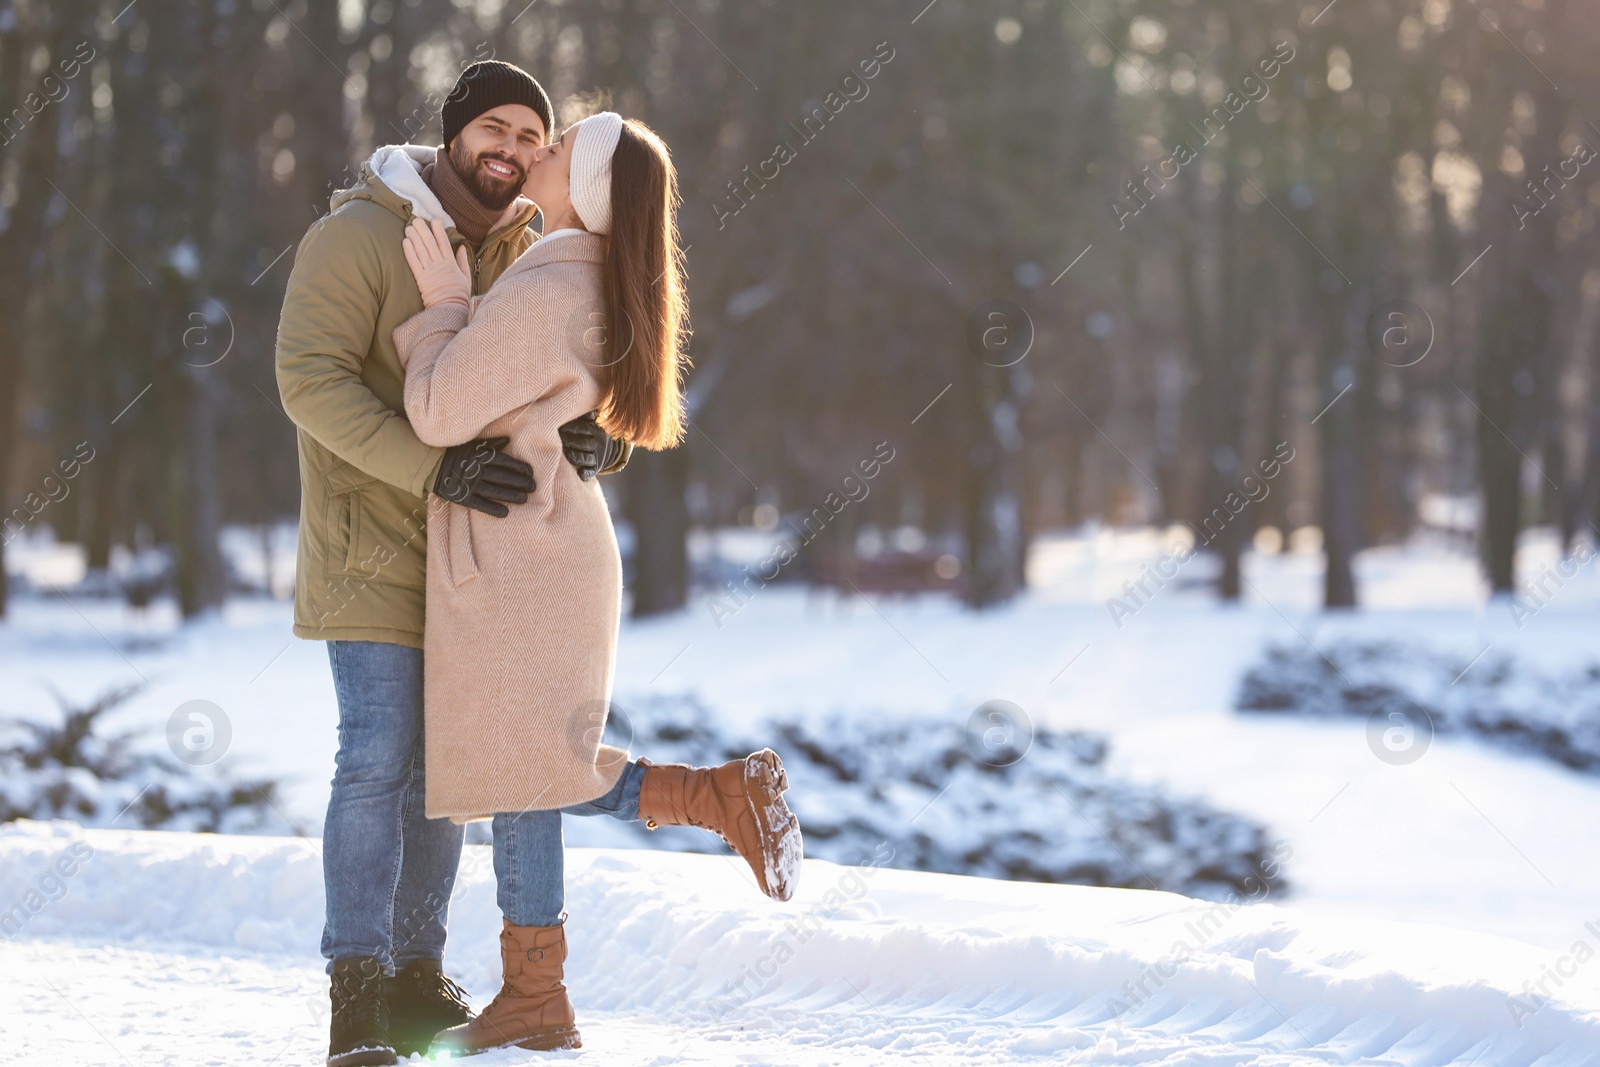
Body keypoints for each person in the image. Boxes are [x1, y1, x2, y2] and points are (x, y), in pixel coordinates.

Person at [391, 111, 803, 1055]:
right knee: (523, 771)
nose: (545, 144)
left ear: (589, 189)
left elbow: (436, 407)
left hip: (522, 558)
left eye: (567, 140)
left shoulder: (549, 284)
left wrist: (447, 303)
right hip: (548, 552)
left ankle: (705, 805)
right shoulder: (584, 276)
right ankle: (547, 983)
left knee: (521, 768)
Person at [275, 61, 632, 1067]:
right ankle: (355, 984)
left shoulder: (527, 247)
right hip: (371, 543)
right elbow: (308, 380)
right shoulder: (354, 237)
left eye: (533, 137)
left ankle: (413, 974)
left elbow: (566, 371)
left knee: (444, 771)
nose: (514, 151)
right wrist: (433, 467)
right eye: (497, 129)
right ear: (452, 133)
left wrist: (602, 436)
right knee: (378, 751)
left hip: (479, 558)